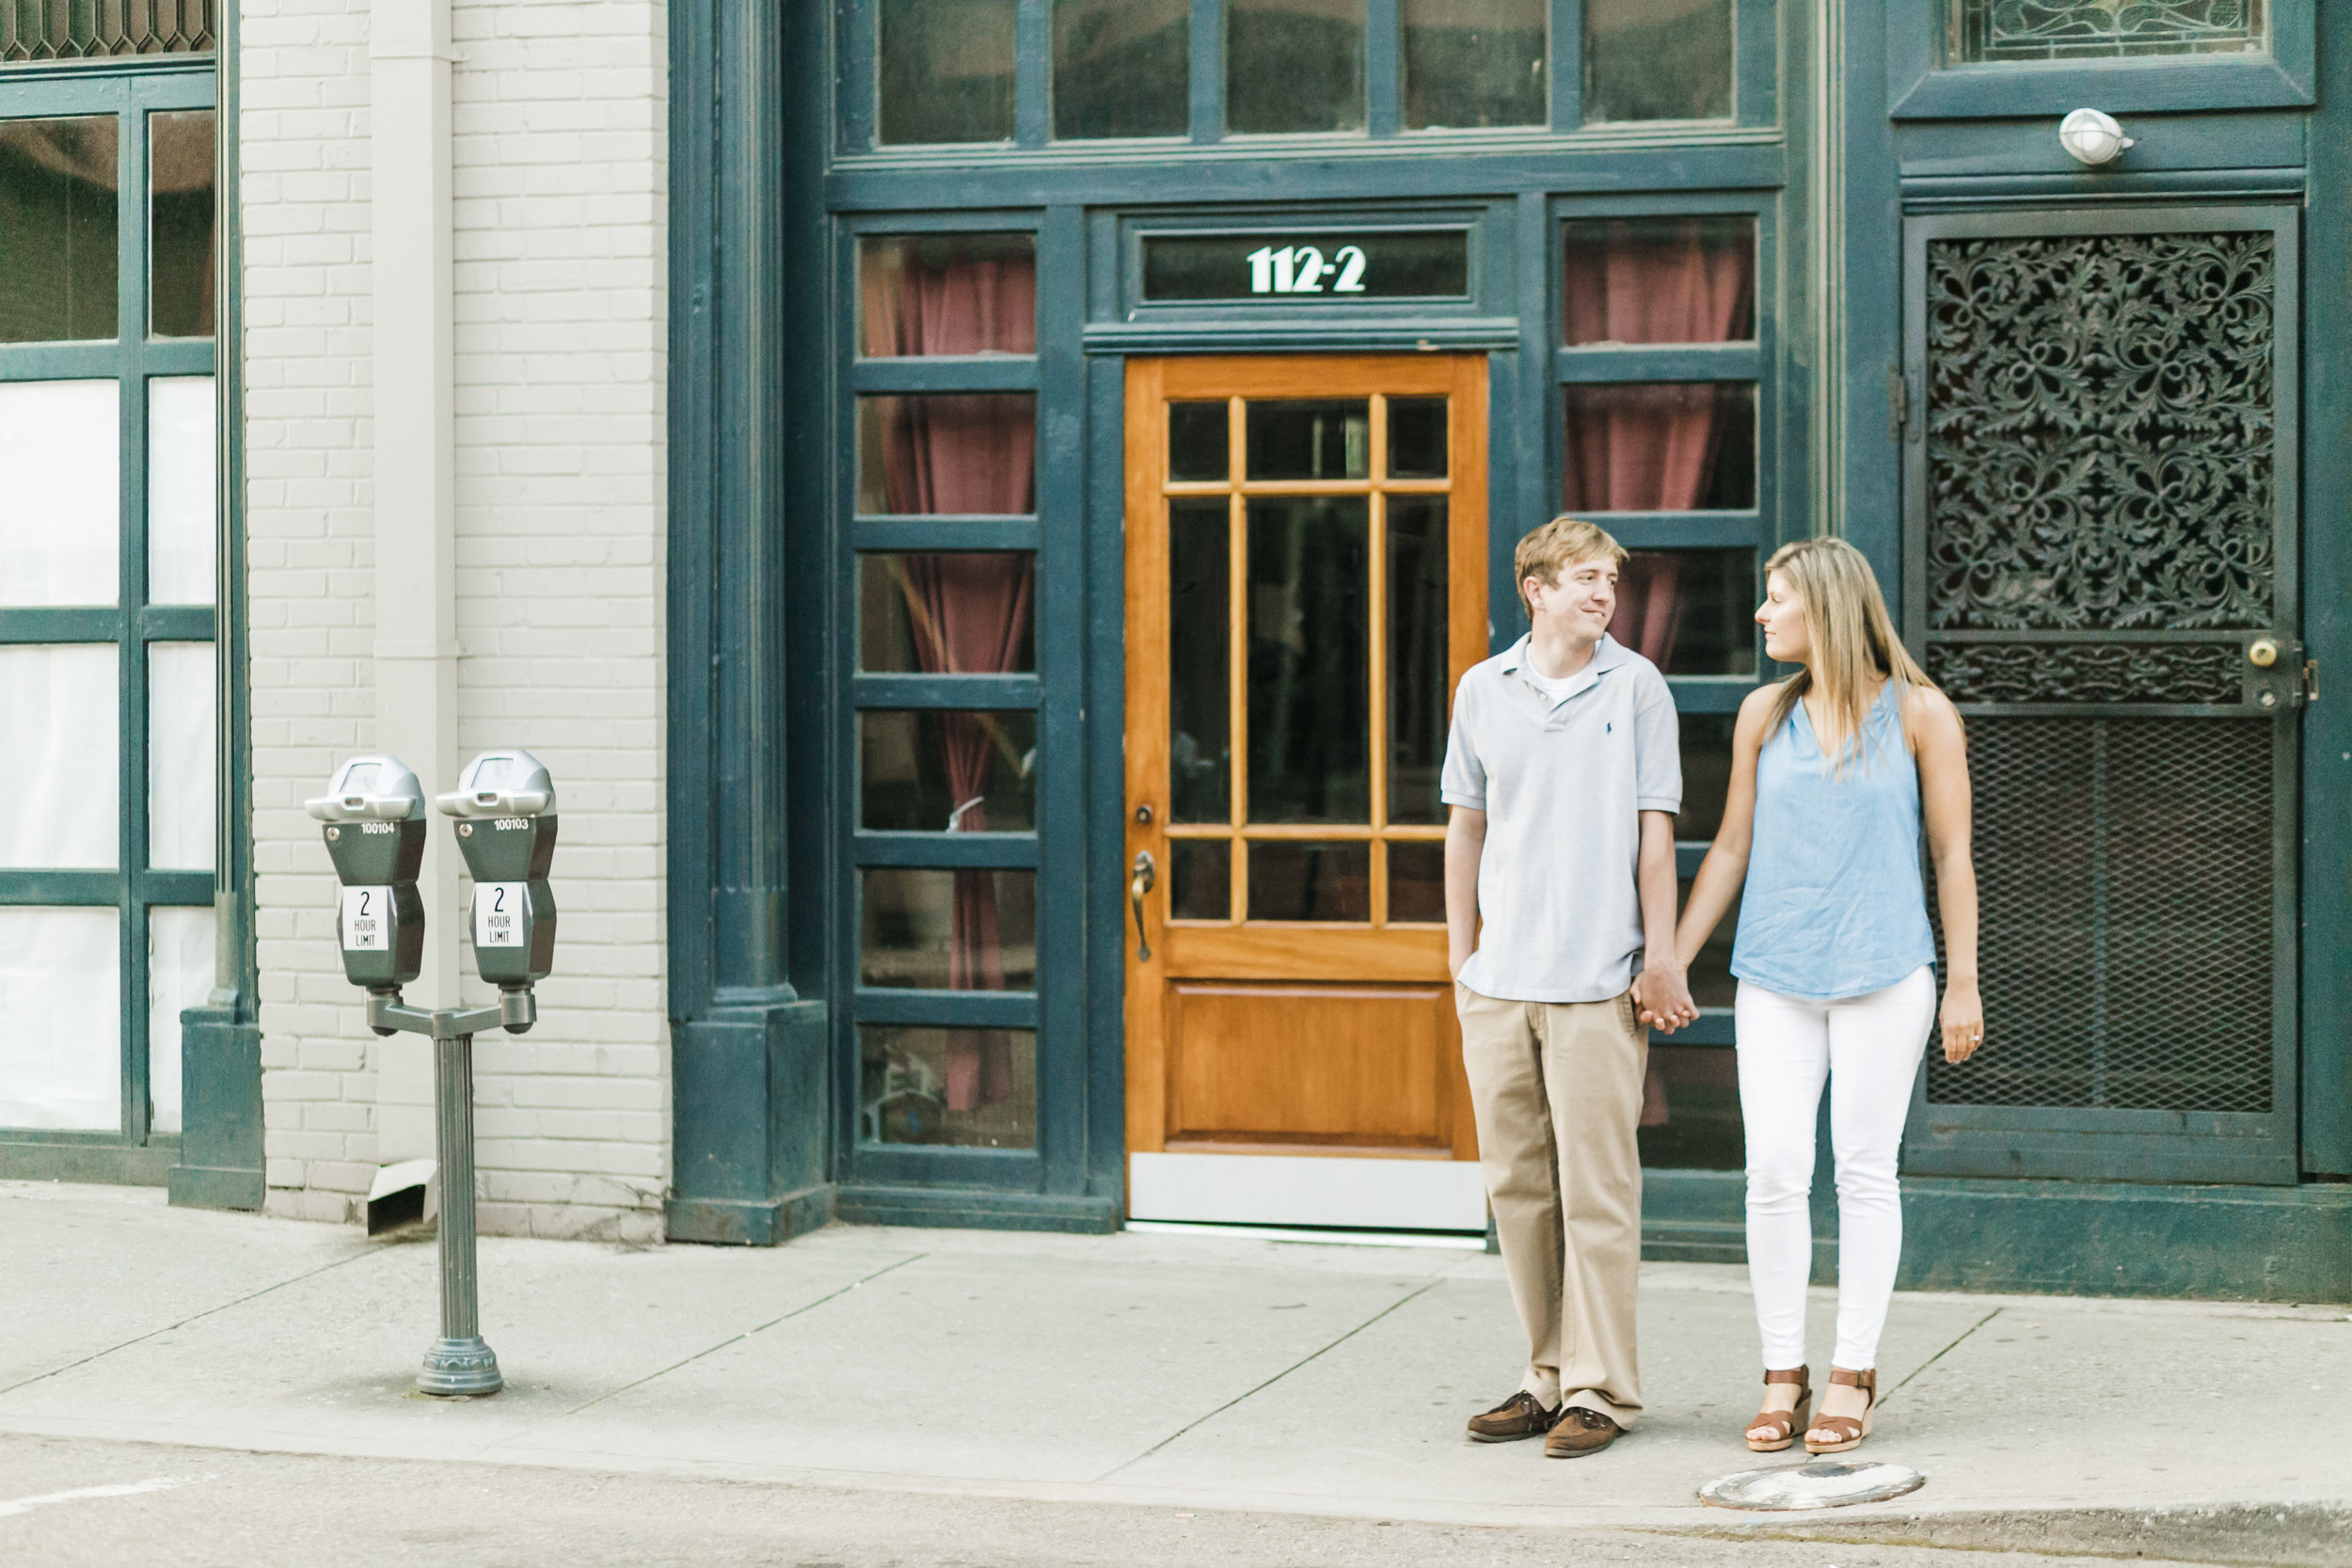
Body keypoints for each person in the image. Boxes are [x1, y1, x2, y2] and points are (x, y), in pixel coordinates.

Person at [1649, 536, 1982, 1457]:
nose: (1760, 615)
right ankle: (1782, 1369)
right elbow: (1728, 849)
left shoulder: (1920, 713)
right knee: (1773, 1170)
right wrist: (1672, 959)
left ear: (1825, 607)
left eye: (1775, 598)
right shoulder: (1764, 711)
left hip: (1885, 971)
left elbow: (1952, 854)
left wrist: (1962, 979)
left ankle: (1852, 1369)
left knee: (1864, 1169)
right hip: (1776, 974)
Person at [1443, 516, 1697, 1460]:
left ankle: (1602, 1385)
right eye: (1585, 578)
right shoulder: (1482, 688)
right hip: (1498, 984)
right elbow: (1464, 826)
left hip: (1595, 983)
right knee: (1517, 1185)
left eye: (1612, 582)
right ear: (1535, 588)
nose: (1603, 594)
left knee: (1597, 1189)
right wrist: (1462, 959)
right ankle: (1542, 1372)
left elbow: (1654, 836)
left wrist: (1658, 955)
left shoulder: (1634, 688)